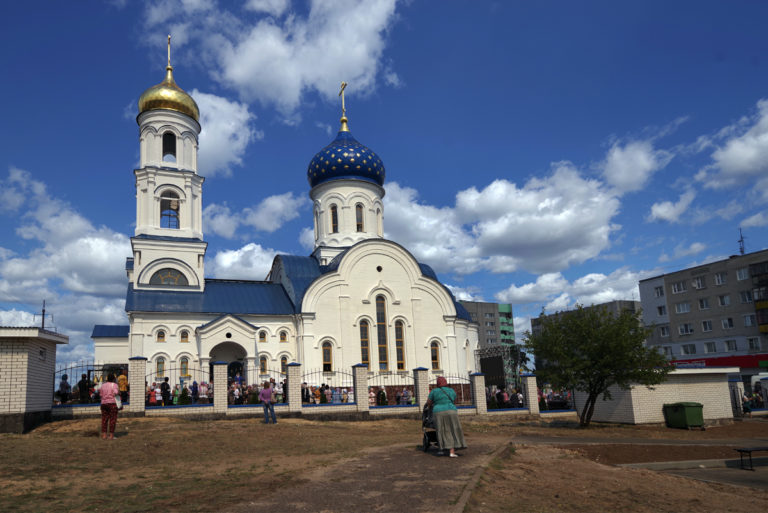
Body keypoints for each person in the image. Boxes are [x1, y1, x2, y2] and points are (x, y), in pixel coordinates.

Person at [426, 376, 466, 458]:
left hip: (438, 412)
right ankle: (452, 452)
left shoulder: (434, 391)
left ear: (438, 383)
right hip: (451, 411)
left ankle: (441, 450)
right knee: (453, 429)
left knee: (441, 430)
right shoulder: (451, 390)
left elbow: (429, 403)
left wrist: (432, 405)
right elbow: (454, 400)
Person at [100, 373, 120, 440]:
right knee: (112, 419)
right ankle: (111, 436)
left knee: (104, 420)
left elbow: (100, 394)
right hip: (112, 403)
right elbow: (116, 392)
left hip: (103, 403)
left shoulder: (103, 385)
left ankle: (104, 435)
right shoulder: (114, 385)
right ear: (113, 379)